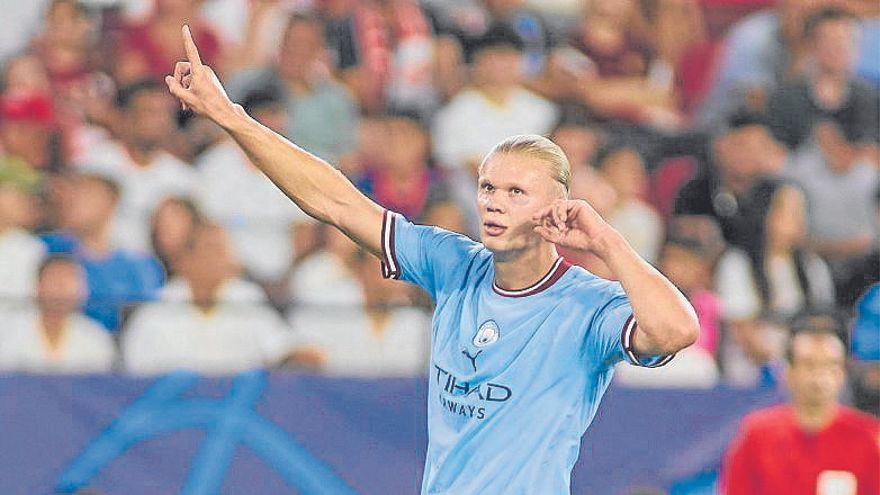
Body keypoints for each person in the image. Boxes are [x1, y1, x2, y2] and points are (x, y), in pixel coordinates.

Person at [165, 26, 698, 493]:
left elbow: (676, 331)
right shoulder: (453, 264)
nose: (493, 202)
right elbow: (336, 201)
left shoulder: (588, 305)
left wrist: (608, 242)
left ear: (557, 205)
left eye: (516, 192)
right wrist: (230, 118)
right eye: (488, 187)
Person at [720, 316, 880, 495]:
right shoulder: (757, 434)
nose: (819, 377)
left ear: (843, 373)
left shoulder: (868, 437)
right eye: (809, 364)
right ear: (789, 372)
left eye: (830, 365)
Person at [122, 222, 293, 376]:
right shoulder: (157, 309)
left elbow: (281, 349)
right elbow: (138, 372)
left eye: (225, 251)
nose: (224, 260)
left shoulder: (248, 299)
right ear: (185, 260)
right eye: (213, 250)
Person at [42, 173, 165, 332]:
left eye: (87, 195)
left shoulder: (141, 267)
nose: (75, 201)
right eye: (74, 194)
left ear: (111, 202)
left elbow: (147, 321)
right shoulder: (46, 250)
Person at [0, 255, 116, 374]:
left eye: (70, 279)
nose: (61, 286)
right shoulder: (9, 333)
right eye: (53, 278)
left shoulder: (96, 337)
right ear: (37, 286)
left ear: (83, 290)